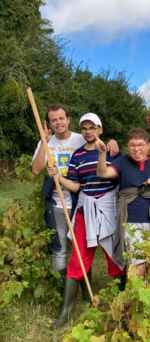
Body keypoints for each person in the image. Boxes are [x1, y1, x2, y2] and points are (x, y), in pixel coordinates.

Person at [47, 113, 126, 329]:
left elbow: (126, 169)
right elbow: (75, 186)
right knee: (77, 259)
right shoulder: (78, 155)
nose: (88, 131)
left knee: (115, 258)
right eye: (84, 128)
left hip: (108, 208)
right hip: (85, 209)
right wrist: (58, 176)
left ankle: (125, 304)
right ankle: (65, 311)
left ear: (100, 129)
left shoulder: (113, 152)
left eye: (92, 127)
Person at [31, 105, 118, 299]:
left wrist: (112, 142)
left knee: (82, 247)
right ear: (50, 123)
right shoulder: (47, 142)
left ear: (68, 119)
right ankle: (62, 295)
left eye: (61, 118)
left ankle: (87, 293)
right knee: (60, 248)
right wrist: (44, 143)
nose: (58, 122)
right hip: (58, 203)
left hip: (80, 202)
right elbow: (36, 170)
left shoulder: (81, 137)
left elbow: (103, 144)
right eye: (54, 120)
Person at [96, 128, 150, 277]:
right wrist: (102, 153)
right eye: (132, 145)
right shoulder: (122, 161)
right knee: (137, 264)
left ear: (148, 146)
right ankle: (136, 298)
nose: (136, 149)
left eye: (140, 145)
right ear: (127, 146)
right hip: (131, 220)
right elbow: (103, 173)